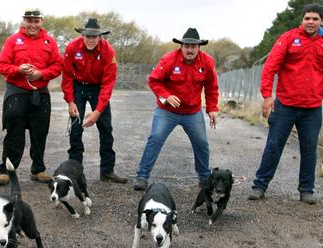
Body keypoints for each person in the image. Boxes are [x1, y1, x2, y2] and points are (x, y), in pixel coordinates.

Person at [249, 4, 323, 205]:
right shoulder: (288, 38)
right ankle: (260, 186)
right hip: (285, 106)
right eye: (307, 18)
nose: (311, 22)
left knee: (309, 151)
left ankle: (306, 190)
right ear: (302, 20)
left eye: (315, 19)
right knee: (273, 146)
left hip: (312, 109)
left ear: (321, 22)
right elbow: (270, 67)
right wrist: (267, 96)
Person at [133, 28, 218, 191]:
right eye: (186, 46)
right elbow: (154, 81)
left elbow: (211, 87)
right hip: (167, 111)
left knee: (202, 143)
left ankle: (204, 178)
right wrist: (166, 96)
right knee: (155, 138)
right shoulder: (169, 59)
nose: (190, 50)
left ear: (199, 47)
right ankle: (142, 176)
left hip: (192, 112)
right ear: (181, 46)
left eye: (194, 47)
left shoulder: (207, 62)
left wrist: (212, 108)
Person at [0, 9, 63, 185]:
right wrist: (18, 70)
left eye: (36, 21)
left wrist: (41, 74)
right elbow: (1, 65)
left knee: (40, 132)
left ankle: (38, 169)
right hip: (17, 91)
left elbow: (58, 65)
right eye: (29, 20)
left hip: (40, 93)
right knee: (14, 133)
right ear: (24, 21)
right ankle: (7, 170)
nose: (32, 24)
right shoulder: (12, 41)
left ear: (42, 22)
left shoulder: (50, 42)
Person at [62, 18, 126, 183]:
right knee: (76, 129)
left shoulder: (108, 52)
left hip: (98, 88)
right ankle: (74, 171)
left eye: (94, 37)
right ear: (82, 35)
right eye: (87, 36)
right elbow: (67, 76)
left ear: (100, 37)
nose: (90, 40)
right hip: (78, 87)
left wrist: (98, 111)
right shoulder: (72, 47)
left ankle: (107, 171)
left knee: (106, 129)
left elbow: (108, 84)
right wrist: (70, 101)